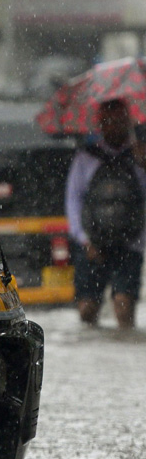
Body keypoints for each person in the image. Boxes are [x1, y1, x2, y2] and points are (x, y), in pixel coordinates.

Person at [65, 98, 146, 329]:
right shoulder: (86, 157)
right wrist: (84, 239)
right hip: (92, 243)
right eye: (108, 121)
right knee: (87, 310)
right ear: (100, 124)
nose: (114, 126)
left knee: (124, 308)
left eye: (119, 120)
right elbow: (73, 200)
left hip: (130, 243)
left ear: (129, 122)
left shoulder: (140, 155)